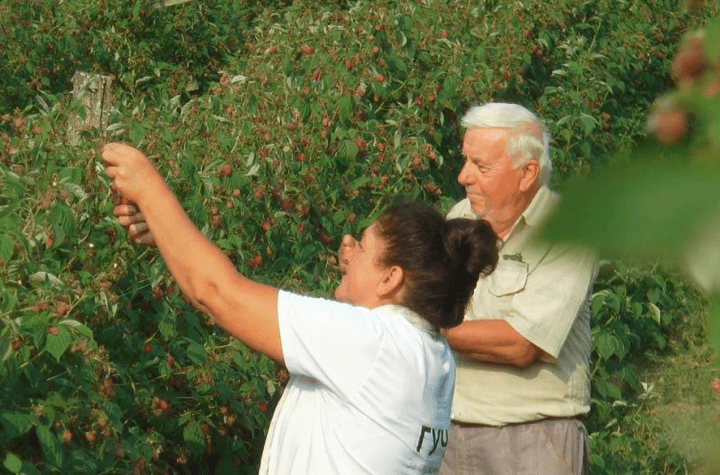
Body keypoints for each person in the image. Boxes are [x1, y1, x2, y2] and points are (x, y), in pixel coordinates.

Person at [101, 142, 499, 474]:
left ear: (389, 278)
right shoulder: (430, 355)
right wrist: (167, 233)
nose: (350, 252)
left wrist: (149, 186)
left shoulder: (371, 344)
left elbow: (216, 291)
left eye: (363, 245)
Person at [339, 102, 598, 474]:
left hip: (531, 439)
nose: (463, 176)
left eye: (481, 166)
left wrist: (418, 322)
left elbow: (522, 344)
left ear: (527, 174)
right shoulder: (460, 218)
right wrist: (366, 269)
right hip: (447, 436)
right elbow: (409, 290)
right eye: (465, 161)